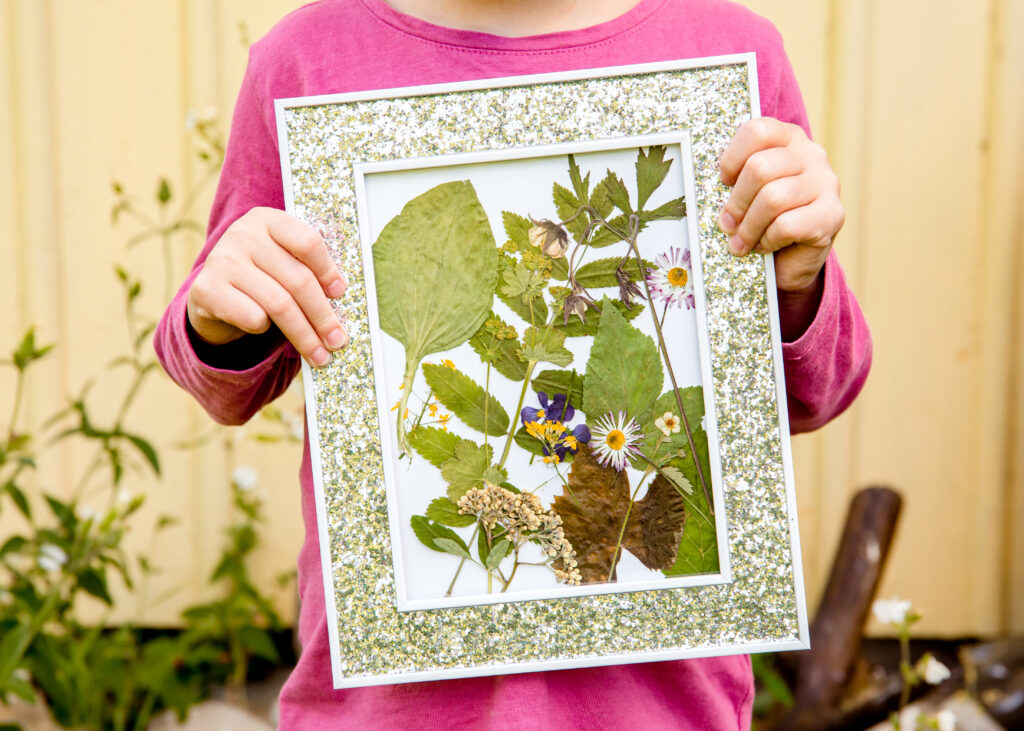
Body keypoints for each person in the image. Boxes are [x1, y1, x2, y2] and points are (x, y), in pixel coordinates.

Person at [154, 0, 872, 728]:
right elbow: (223, 381)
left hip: (654, 708)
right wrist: (218, 313)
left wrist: (798, 278)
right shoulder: (304, 60)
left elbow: (819, 388)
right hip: (387, 709)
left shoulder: (728, 53)